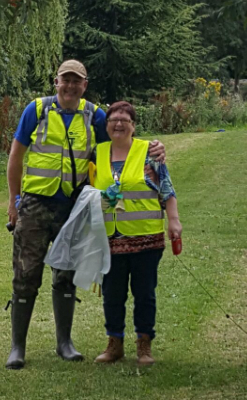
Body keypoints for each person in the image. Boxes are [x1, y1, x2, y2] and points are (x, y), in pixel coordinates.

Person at [5, 60, 166, 369]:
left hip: (74, 207)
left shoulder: (95, 115)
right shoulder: (36, 110)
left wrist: (153, 149)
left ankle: (64, 343)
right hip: (35, 205)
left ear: (84, 85)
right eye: (65, 80)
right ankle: (17, 347)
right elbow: (15, 157)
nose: (70, 86)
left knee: (66, 275)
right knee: (25, 275)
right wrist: (13, 202)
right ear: (56, 82)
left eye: (76, 81)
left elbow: (121, 143)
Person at [93, 101, 182, 366]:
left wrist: (174, 221)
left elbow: (166, 190)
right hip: (110, 239)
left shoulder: (149, 153)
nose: (118, 124)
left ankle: (144, 345)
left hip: (146, 238)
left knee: (144, 294)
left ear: (133, 126)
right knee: (112, 294)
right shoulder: (96, 153)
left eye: (124, 120)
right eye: (113, 120)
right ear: (106, 125)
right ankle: (114, 344)